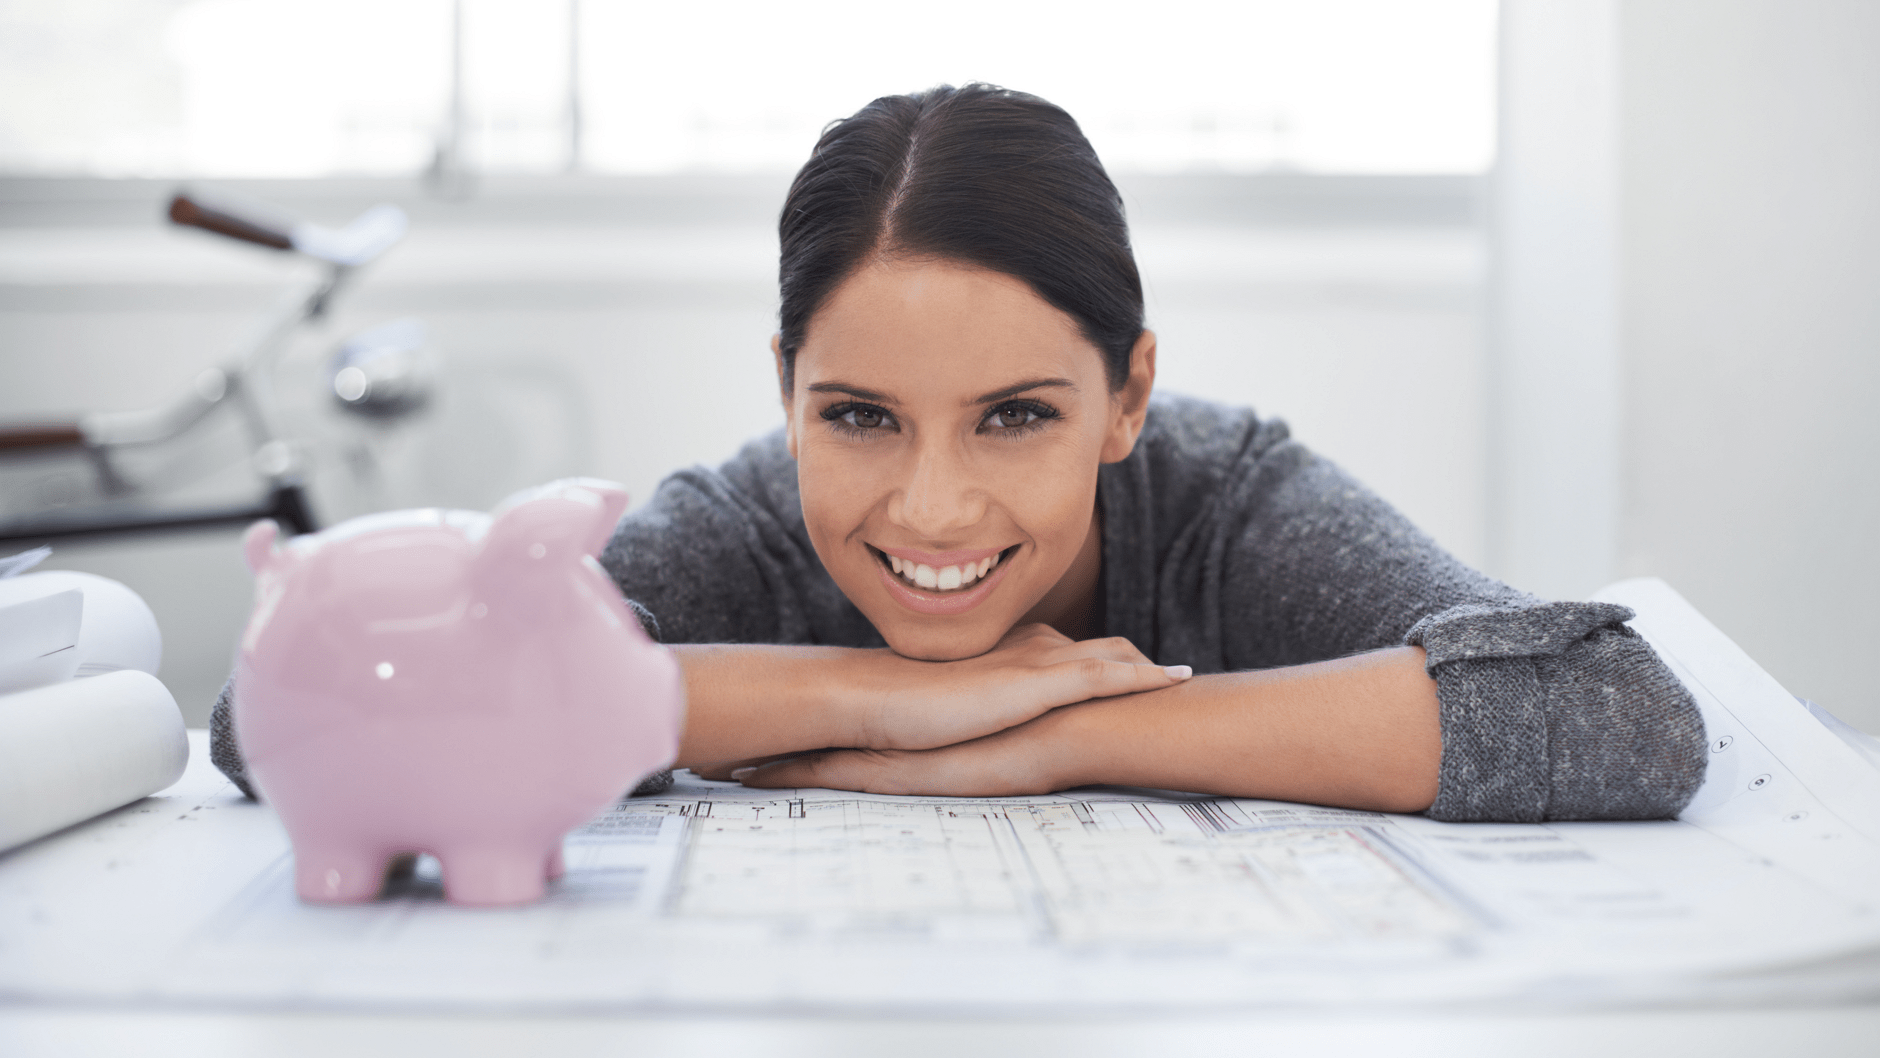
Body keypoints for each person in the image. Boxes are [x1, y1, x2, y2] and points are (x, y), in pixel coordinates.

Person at [213, 84, 1706, 822]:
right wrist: (875, 694)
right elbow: (274, 714)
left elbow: (1617, 710)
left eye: (1019, 413)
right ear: (788, 388)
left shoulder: (1220, 497)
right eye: (858, 416)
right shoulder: (740, 527)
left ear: (1126, 399)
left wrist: (1048, 735)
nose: (931, 502)